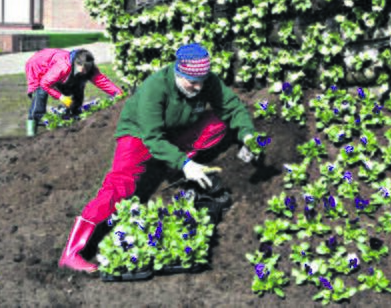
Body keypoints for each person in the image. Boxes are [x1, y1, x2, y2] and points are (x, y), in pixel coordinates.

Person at [58, 43, 257, 273]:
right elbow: (152, 137)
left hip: (172, 132)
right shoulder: (155, 88)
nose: (198, 86)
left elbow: (232, 108)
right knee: (119, 188)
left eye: (202, 80)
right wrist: (186, 163)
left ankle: (168, 165)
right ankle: (72, 252)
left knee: (218, 123)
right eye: (192, 82)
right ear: (178, 73)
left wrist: (247, 135)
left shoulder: (204, 81)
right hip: (139, 135)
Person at [25, 48, 123, 137]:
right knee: (40, 93)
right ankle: (32, 128)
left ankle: (73, 114)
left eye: (88, 69)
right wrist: (61, 97)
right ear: (77, 63)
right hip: (38, 66)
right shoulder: (63, 66)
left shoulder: (88, 68)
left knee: (79, 84)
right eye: (84, 69)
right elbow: (44, 83)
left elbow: (102, 81)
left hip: (54, 69)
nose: (86, 72)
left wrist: (119, 94)